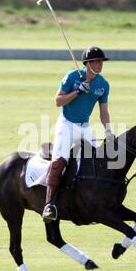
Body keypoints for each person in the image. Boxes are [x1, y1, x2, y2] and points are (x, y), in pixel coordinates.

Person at [42, 46, 114, 222]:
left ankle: (96, 201)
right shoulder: (72, 76)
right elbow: (58, 101)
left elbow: (103, 112)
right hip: (66, 124)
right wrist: (78, 91)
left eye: (101, 62)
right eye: (96, 61)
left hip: (85, 127)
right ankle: (49, 205)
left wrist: (109, 130)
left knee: (97, 163)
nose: (100, 65)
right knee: (59, 162)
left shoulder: (103, 84)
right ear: (87, 63)